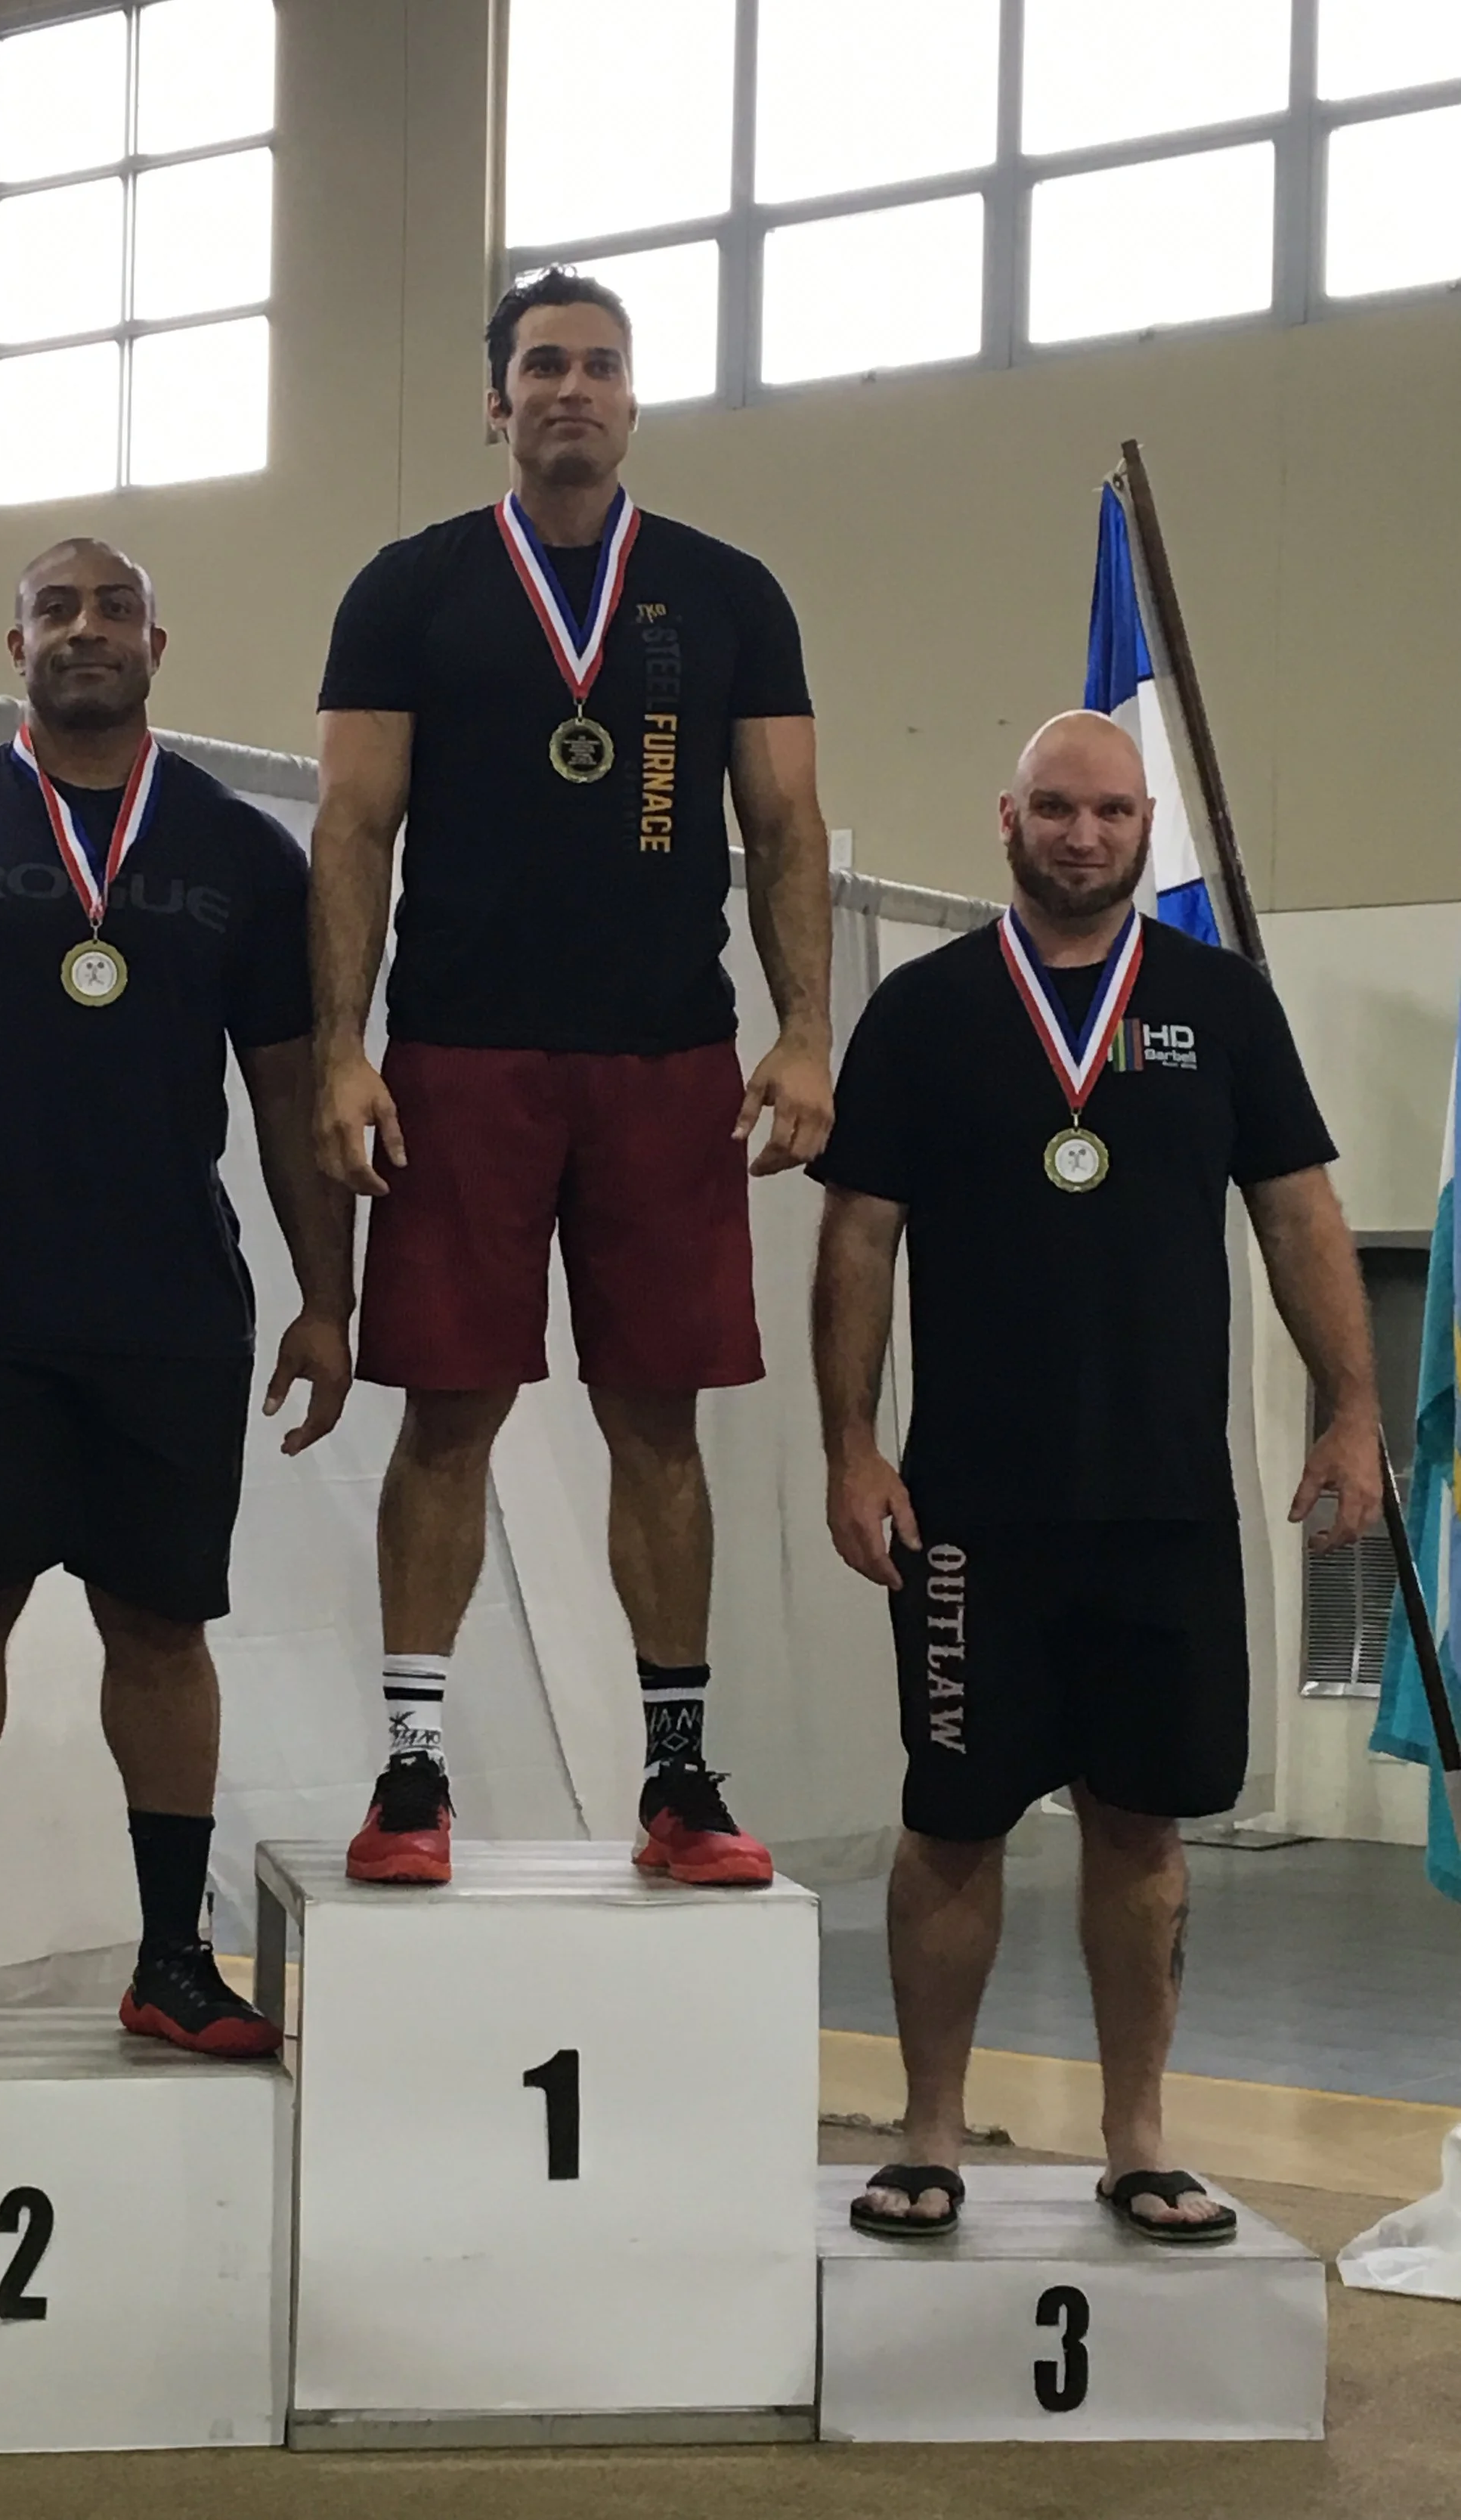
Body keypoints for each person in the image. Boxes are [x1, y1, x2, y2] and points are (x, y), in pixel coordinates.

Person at [811, 709, 1380, 2240]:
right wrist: (849, 1444)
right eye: (1054, 808)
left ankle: (1135, 2138)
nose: (1081, 834)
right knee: (951, 1819)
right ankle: (927, 2130)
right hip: (965, 1510)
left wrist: (1349, 1412)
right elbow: (857, 1238)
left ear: (1145, 832)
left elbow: (1296, 1218)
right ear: (1004, 820)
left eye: (1109, 812)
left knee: (1140, 1824)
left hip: (1162, 1506)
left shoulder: (1217, 1005)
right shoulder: (925, 1013)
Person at [0, 537, 353, 2068]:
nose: (85, 631)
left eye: (114, 610)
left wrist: (327, 1300)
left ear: (158, 644)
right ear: (15, 642)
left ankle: (172, 1956)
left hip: (171, 1303)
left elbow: (293, 1082)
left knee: (161, 1623)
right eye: (58, 610)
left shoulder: (241, 851)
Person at [311, 268, 834, 1889]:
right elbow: (350, 828)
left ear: (631, 396)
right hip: (460, 1055)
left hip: (666, 1057)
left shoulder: (724, 591)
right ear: (495, 398)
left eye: (598, 366)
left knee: (654, 1419)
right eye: (540, 365)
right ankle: (411, 1771)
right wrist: (338, 1044)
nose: (570, 390)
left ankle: (677, 1775)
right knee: (446, 1409)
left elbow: (786, 826)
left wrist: (806, 1028)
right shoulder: (407, 588)